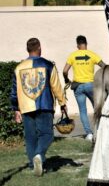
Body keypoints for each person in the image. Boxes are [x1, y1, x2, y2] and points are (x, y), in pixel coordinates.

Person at [10, 37, 67, 176]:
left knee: (30, 137)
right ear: (39, 48)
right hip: (44, 104)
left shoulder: (19, 68)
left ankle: (33, 164)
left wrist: (16, 108)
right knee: (47, 134)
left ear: (27, 50)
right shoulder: (48, 65)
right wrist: (62, 102)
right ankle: (39, 155)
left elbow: (14, 90)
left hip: (26, 106)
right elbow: (56, 86)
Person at [63, 35, 105, 141]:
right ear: (86, 43)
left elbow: (64, 71)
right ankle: (99, 131)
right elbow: (104, 67)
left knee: (82, 111)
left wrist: (66, 79)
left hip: (78, 87)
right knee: (97, 109)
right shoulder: (92, 54)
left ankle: (89, 134)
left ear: (77, 45)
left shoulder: (72, 55)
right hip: (91, 85)